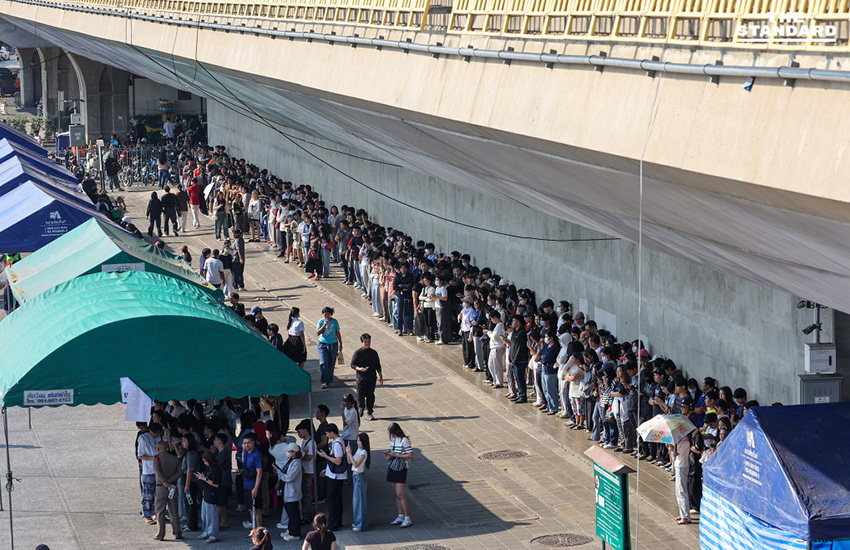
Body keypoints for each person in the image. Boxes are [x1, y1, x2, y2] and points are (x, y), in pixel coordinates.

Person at [316, 424, 346, 531]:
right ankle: (338, 522)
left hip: (335, 476)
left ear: (332, 432)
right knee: (337, 499)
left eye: (327, 433)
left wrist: (325, 456)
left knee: (332, 500)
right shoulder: (339, 441)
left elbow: (338, 461)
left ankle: (333, 524)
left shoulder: (337, 443)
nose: (327, 435)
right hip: (334, 474)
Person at [152, 440, 182, 541]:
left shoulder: (156, 459)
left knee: (160, 511)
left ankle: (160, 534)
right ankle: (177, 532)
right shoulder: (175, 459)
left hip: (161, 487)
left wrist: (166, 483)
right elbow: (180, 472)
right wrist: (170, 483)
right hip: (173, 487)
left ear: (158, 449)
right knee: (174, 511)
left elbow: (158, 474)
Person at [349, 333, 383, 420]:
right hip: (361, 378)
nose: (367, 343)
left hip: (371, 378)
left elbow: (377, 365)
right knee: (360, 394)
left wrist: (380, 376)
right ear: (361, 342)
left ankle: (370, 412)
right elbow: (352, 364)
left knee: (370, 395)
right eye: (365, 342)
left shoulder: (374, 353)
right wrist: (359, 369)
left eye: (369, 342)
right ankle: (361, 407)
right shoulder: (358, 353)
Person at [385, 423, 413, 528]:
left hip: (401, 468)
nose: (392, 436)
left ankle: (407, 517)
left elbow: (410, 455)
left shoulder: (404, 440)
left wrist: (396, 455)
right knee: (396, 494)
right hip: (392, 466)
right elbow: (393, 452)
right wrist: (389, 453)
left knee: (400, 494)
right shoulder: (393, 441)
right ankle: (400, 515)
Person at [277, 442, 303, 542]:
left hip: (292, 492)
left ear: (294, 452)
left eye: (289, 451)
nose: (287, 453)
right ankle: (290, 530)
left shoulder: (297, 463)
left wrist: (279, 473)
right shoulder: (289, 460)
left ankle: (295, 533)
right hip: (286, 490)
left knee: (293, 514)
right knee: (289, 512)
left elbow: (289, 477)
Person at [195, 450, 222, 543]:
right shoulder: (209, 468)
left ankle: (213, 535)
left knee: (211, 517)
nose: (204, 463)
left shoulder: (216, 469)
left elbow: (216, 484)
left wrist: (204, 478)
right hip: (206, 494)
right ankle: (206, 532)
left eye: (205, 461)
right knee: (204, 516)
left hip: (212, 494)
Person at [346, 433, 370, 532]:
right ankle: (357, 522)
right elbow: (349, 462)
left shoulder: (363, 452)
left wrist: (350, 454)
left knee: (359, 502)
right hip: (356, 477)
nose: (357, 442)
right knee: (356, 502)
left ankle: (361, 524)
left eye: (359, 441)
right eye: (357, 441)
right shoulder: (359, 450)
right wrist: (348, 453)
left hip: (359, 477)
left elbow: (356, 464)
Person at [242, 432, 264, 531]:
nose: (246, 445)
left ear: (253, 442)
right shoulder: (245, 453)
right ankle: (254, 529)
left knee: (257, 509)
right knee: (250, 508)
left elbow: (259, 473)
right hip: (246, 484)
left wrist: (255, 488)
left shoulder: (257, 455)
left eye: (248, 443)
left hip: (254, 485)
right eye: (245, 443)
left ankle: (259, 530)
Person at [137, 422, 158, 525]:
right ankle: (147, 515)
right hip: (148, 470)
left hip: (157, 470)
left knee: (156, 494)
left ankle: (155, 513)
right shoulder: (143, 439)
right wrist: (154, 459)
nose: (157, 436)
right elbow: (140, 455)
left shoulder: (157, 438)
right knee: (147, 495)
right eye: (156, 433)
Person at [670, 430, 693, 525]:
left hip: (682, 466)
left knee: (682, 491)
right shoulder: (679, 441)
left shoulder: (686, 442)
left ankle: (686, 516)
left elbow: (676, 453)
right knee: (678, 491)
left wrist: (674, 445)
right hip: (678, 465)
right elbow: (672, 451)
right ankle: (682, 513)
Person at [316, 307, 342, 389]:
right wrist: (324, 324)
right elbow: (318, 332)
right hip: (323, 344)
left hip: (333, 344)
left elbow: (337, 332)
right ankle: (323, 381)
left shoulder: (334, 322)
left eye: (327, 314)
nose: (326, 315)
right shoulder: (321, 321)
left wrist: (340, 343)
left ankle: (329, 381)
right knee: (324, 362)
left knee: (331, 363)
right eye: (324, 314)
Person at [295, 420, 316, 523]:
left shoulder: (311, 442)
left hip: (309, 471)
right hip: (305, 470)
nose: (299, 434)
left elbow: (309, 457)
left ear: (306, 431)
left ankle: (308, 515)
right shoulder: (305, 441)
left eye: (299, 432)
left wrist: (300, 456)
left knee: (306, 494)